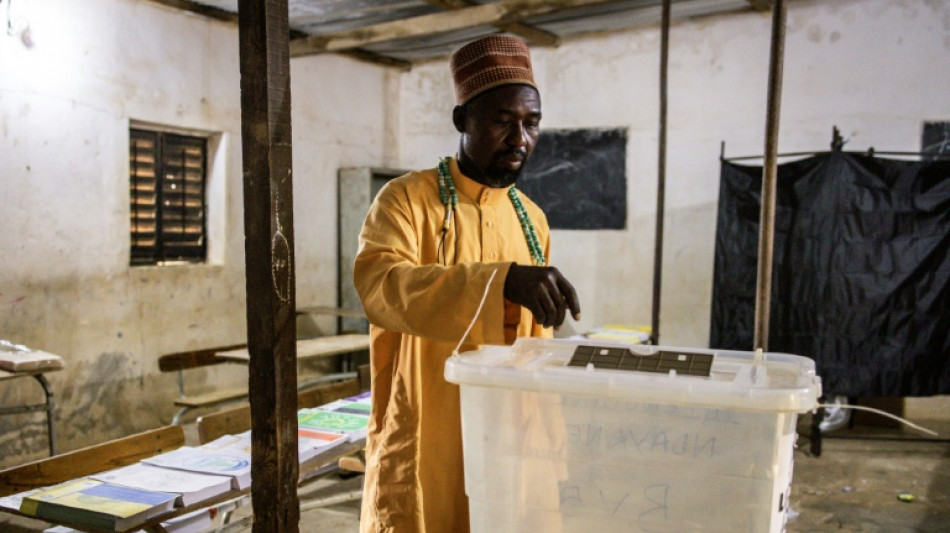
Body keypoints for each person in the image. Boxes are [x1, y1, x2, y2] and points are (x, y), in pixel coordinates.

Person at [353, 34, 581, 533]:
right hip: (431, 424)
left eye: (531, 123)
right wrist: (499, 282)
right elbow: (380, 285)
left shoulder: (532, 219)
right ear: (463, 121)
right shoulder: (405, 201)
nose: (520, 138)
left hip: (512, 429)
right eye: (503, 121)